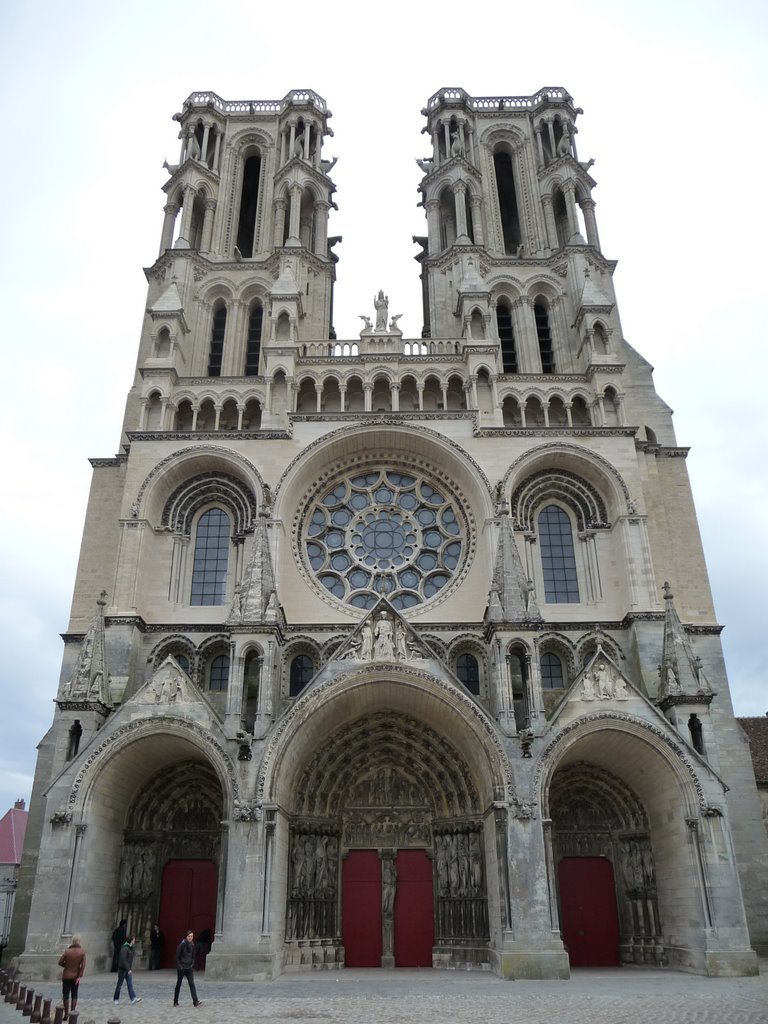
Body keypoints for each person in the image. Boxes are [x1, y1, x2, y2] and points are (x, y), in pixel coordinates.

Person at [58, 934, 86, 1021]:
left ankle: (66, 1014)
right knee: (74, 994)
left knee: (65, 995)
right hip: (75, 976)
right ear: (79, 941)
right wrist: (79, 975)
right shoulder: (82, 952)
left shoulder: (67, 951)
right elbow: (83, 966)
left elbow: (60, 962)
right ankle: (72, 1012)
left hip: (66, 975)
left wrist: (66, 966)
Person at [174, 930, 201, 1007]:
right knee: (178, 984)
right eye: (189, 936)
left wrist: (192, 964)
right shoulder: (182, 945)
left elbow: (193, 956)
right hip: (182, 968)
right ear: (187, 936)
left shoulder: (192, 945)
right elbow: (177, 957)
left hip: (189, 968)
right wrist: (180, 966)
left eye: (191, 936)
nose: (190, 938)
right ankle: (175, 1001)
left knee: (192, 984)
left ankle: (195, 1001)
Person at [113, 935, 141, 1005]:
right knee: (119, 984)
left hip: (127, 969)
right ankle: (116, 999)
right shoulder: (125, 948)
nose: (134, 941)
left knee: (130, 984)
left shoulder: (130, 948)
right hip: (122, 969)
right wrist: (128, 969)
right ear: (131, 940)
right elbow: (123, 960)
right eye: (134, 939)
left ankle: (133, 998)